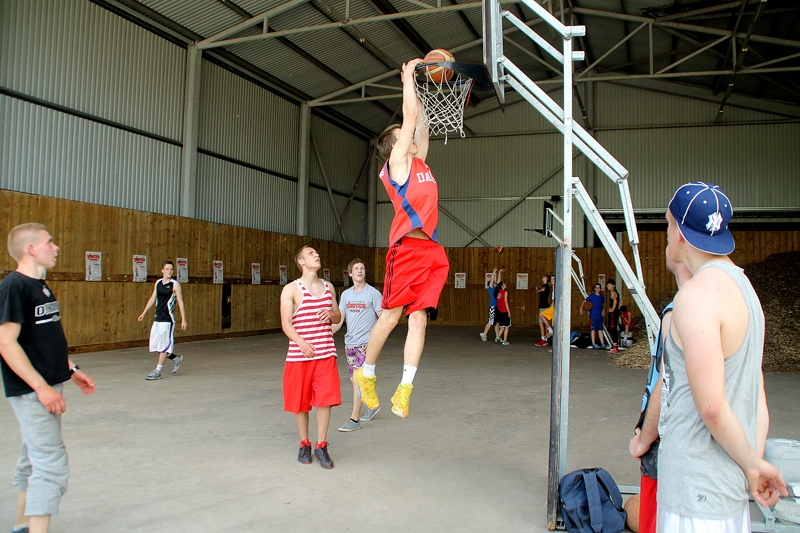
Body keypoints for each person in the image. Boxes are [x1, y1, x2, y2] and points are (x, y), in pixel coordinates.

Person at [658, 182, 787, 531]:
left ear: (680, 233)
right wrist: (749, 461)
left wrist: (753, 467)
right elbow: (755, 390)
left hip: (695, 484)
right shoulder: (743, 289)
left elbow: (711, 406)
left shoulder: (696, 299)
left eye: (669, 224)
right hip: (727, 484)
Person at [354, 58, 449, 420]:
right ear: (395, 145)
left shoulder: (420, 162)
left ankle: (405, 388)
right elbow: (410, 118)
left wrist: (424, 85)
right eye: (403, 134)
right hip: (406, 248)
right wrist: (408, 77)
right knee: (391, 317)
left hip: (432, 251)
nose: (409, 136)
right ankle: (367, 372)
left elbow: (419, 122)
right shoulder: (398, 164)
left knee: (420, 319)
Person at [0, 223, 96, 533]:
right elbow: (5, 342)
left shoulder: (40, 286)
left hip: (46, 384)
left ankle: (20, 526)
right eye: (49, 242)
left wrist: (70, 369)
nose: (55, 247)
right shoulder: (14, 287)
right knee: (50, 463)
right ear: (31, 249)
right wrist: (41, 388)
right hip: (31, 392)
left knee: (32, 458)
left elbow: (42, 339)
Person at [628, 259, 691, 533]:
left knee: (651, 519)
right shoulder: (739, 298)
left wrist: (645, 437)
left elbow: (667, 386)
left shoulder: (680, 311)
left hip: (668, 440)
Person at [280, 245, 341, 468]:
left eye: (317, 252)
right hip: (299, 356)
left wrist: (331, 314)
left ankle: (321, 445)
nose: (316, 255)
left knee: (326, 401)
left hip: (325, 353)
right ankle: (304, 443)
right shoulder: (291, 289)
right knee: (301, 403)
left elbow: (337, 316)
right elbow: (286, 323)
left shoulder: (328, 287)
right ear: (301, 262)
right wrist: (301, 342)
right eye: (311, 254)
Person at [331, 258, 383, 432]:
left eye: (362, 268)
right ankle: (373, 405)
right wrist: (323, 334)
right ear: (350, 273)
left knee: (358, 382)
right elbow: (340, 320)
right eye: (356, 268)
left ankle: (354, 419)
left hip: (365, 345)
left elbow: (384, 319)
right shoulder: (346, 295)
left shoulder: (373, 294)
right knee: (357, 379)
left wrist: (374, 340)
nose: (360, 271)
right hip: (350, 343)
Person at [137, 260, 187, 380]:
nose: (169, 271)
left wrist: (183, 319)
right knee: (156, 345)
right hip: (158, 318)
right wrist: (143, 313)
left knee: (164, 345)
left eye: (171, 269)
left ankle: (157, 371)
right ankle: (175, 358)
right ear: (162, 270)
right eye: (167, 269)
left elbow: (180, 302)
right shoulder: (158, 283)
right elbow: (153, 298)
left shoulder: (175, 285)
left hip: (167, 319)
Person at [580, 283, 606, 350]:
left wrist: (603, 310)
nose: (597, 289)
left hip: (599, 315)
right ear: (594, 289)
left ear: (600, 289)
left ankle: (602, 343)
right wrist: (581, 309)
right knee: (593, 329)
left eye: (599, 288)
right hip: (593, 315)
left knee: (600, 329)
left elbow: (602, 305)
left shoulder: (602, 296)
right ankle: (593, 343)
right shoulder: (591, 296)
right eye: (596, 288)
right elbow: (584, 301)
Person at [480, 268, 503, 342]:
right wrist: (493, 272)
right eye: (494, 283)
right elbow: (492, 280)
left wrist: (499, 272)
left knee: (497, 323)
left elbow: (499, 281)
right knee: (491, 321)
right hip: (493, 307)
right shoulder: (491, 289)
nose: (495, 283)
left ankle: (497, 336)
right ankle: (484, 334)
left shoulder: (497, 288)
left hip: (498, 307)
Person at [535, 274, 553, 347]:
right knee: (542, 322)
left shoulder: (546, 286)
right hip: (542, 305)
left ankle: (545, 336)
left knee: (542, 322)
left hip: (544, 306)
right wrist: (539, 289)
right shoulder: (544, 286)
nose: (542, 277)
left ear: (546, 278)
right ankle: (544, 339)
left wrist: (539, 290)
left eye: (544, 277)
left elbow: (544, 289)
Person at [494, 281, 511, 345]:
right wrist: (509, 311)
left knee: (502, 326)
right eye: (504, 284)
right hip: (504, 311)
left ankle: (498, 337)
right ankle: (505, 340)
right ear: (502, 286)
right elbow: (506, 302)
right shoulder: (505, 292)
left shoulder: (498, 292)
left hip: (499, 311)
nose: (505, 284)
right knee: (507, 327)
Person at [606, 279, 620, 352]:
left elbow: (615, 301)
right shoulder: (613, 292)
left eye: (609, 285)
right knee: (612, 328)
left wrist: (612, 309)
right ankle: (614, 345)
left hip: (614, 312)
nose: (608, 286)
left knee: (612, 328)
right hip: (615, 312)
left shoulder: (613, 292)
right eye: (607, 285)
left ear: (613, 286)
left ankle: (615, 346)